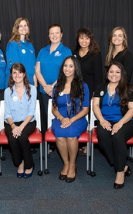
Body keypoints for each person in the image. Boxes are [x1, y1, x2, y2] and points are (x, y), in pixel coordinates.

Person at [93, 61, 133, 189]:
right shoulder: (101, 88)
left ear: (122, 74)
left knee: (118, 136)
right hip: (106, 120)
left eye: (117, 72)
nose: (114, 74)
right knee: (102, 135)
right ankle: (122, 165)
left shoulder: (129, 88)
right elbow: (95, 105)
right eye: (111, 71)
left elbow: (132, 109)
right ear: (107, 73)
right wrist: (101, 120)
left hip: (127, 121)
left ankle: (119, 173)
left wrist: (120, 123)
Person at [51, 56, 89, 183]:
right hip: (60, 118)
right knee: (60, 134)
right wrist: (62, 118)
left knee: (71, 134)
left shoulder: (83, 86)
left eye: (71, 66)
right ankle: (66, 164)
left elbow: (85, 109)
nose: (67, 68)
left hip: (77, 118)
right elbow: (54, 108)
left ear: (75, 68)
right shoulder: (57, 85)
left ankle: (73, 164)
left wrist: (71, 120)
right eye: (65, 66)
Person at [73, 27, 103, 156]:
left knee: (89, 118)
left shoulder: (95, 55)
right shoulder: (74, 53)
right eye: (81, 38)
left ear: (90, 39)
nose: (84, 40)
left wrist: (95, 95)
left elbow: (99, 77)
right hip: (76, 91)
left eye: (86, 38)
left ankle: (87, 145)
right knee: (77, 116)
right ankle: (79, 141)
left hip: (90, 92)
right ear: (78, 39)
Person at [4, 63, 37, 178]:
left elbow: (31, 112)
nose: (17, 75)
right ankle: (20, 163)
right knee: (12, 139)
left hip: (28, 122)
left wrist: (21, 127)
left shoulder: (32, 89)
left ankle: (29, 164)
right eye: (14, 72)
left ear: (24, 74)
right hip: (12, 122)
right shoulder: (7, 91)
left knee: (22, 136)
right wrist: (13, 126)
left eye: (19, 72)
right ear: (11, 75)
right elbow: (7, 113)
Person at [36, 24, 72, 117]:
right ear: (48, 35)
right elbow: (37, 71)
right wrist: (46, 87)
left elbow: (67, 72)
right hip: (44, 91)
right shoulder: (42, 51)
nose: (54, 35)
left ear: (61, 34)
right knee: (45, 118)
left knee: (59, 117)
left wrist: (52, 87)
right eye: (51, 33)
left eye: (57, 33)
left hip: (60, 90)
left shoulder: (66, 51)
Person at [6, 17, 36, 87]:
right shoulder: (13, 44)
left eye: (25, 25)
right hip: (18, 84)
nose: (23, 28)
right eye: (21, 26)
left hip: (31, 83)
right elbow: (14, 69)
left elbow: (33, 66)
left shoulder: (30, 45)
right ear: (17, 28)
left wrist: (35, 84)